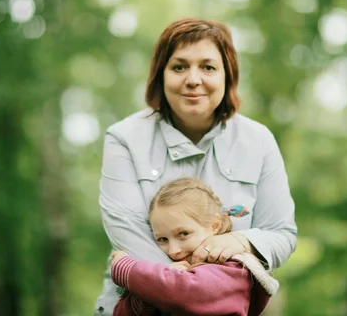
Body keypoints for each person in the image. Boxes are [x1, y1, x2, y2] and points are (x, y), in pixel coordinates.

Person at [95, 17, 297, 315]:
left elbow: (281, 233)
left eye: (208, 67)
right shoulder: (123, 139)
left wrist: (238, 239)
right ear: (160, 75)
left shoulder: (258, 140)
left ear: (227, 76)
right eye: (179, 67)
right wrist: (195, 291)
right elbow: (129, 238)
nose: (193, 79)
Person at [110, 177, 280, 315]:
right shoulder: (172, 273)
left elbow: (187, 292)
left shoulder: (235, 268)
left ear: (214, 225)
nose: (173, 250)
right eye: (162, 239)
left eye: (183, 234)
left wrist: (127, 269)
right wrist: (145, 298)